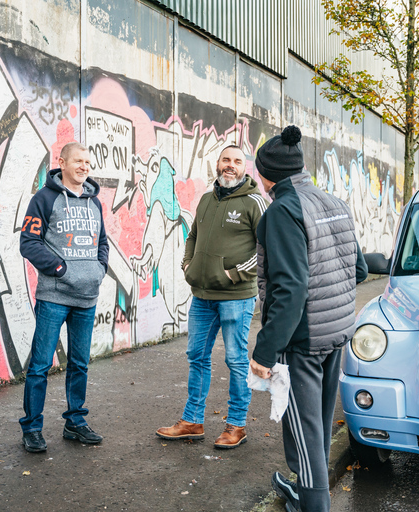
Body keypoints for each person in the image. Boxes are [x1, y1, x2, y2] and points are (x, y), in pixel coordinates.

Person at [249, 126, 367, 512]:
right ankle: (305, 491)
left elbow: (290, 289)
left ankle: (313, 503)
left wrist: (264, 352)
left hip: (303, 340)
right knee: (315, 422)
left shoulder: (283, 210)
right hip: (337, 331)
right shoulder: (333, 202)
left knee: (306, 431)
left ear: (267, 175)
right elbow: (360, 270)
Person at [156, 145, 267, 449]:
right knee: (197, 357)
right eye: (225, 160)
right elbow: (193, 236)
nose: (230, 165)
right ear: (217, 164)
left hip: (236, 297)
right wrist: (188, 265)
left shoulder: (255, 202)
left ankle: (236, 425)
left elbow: (265, 248)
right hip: (202, 297)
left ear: (245, 168)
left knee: (235, 359)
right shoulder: (206, 198)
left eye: (237, 161)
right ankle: (192, 421)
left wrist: (232, 274)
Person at [19, 142, 109, 452]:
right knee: (41, 365)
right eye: (78, 161)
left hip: (87, 296)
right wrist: (60, 269)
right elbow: (28, 243)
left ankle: (75, 422)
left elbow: (103, 243)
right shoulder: (44, 199)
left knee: (80, 363)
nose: (84, 166)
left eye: (88, 161)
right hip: (54, 297)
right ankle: (31, 428)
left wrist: (100, 269)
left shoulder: (94, 203)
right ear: (63, 163)